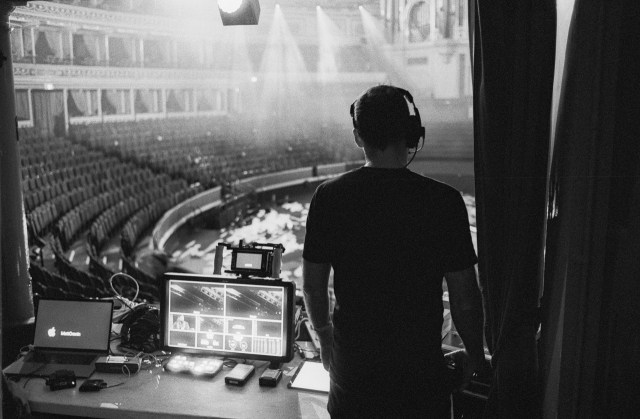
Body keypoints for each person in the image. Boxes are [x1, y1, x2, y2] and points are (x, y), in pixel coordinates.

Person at [302, 85, 485, 418]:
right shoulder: (444, 202)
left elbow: (313, 287)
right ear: (412, 134)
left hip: (352, 379)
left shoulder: (328, 197)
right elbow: (466, 297)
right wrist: (474, 356)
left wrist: (326, 339)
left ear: (358, 137)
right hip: (421, 382)